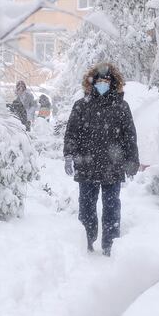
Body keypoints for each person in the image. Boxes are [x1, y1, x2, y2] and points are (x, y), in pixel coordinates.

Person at [63, 63, 139, 257]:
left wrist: (132, 160)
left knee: (112, 206)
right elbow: (72, 132)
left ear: (113, 83)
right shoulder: (82, 105)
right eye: (99, 81)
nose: (102, 84)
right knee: (86, 207)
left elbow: (129, 135)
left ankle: (110, 244)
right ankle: (86, 241)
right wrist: (69, 155)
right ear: (92, 83)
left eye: (106, 81)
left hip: (112, 166)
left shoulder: (121, 106)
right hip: (86, 164)